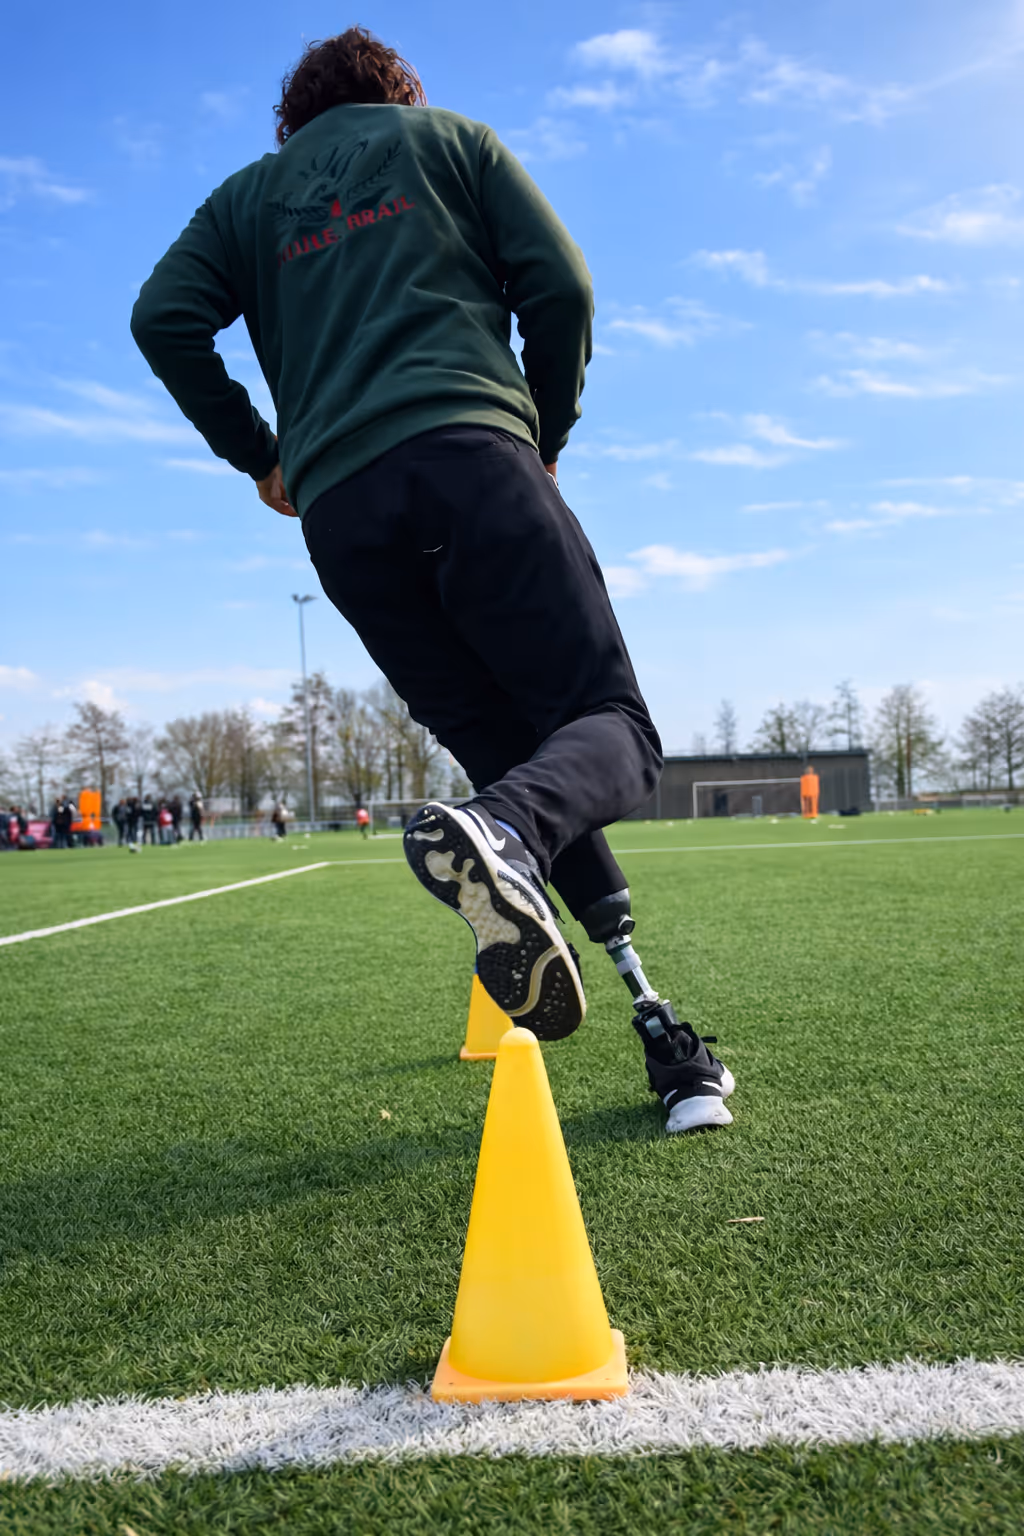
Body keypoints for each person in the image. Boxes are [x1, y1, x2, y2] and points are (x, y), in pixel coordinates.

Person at [130, 28, 734, 1135]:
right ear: (400, 95)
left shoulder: (242, 202)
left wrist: (263, 455)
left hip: (344, 514)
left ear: (291, 121)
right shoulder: (451, 142)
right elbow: (561, 287)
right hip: (470, 457)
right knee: (609, 727)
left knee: (514, 751)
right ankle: (502, 834)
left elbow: (160, 319)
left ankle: (649, 1009)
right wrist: (543, 429)